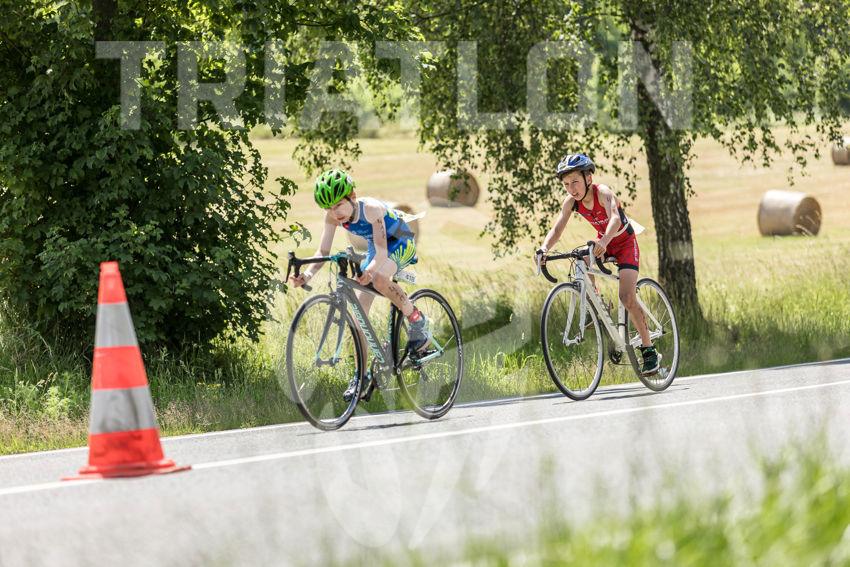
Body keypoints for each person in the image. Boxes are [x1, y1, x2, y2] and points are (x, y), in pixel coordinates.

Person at [289, 169, 431, 399]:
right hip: (377, 245)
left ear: (352, 196)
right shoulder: (332, 217)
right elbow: (323, 251)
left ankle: (417, 320)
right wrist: (306, 275)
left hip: (401, 241)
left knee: (379, 278)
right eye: (329, 208)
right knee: (358, 318)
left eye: (338, 205)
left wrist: (370, 271)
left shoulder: (371, 209)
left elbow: (382, 252)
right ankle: (361, 376)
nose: (334, 213)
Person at [536, 154, 660, 375]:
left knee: (627, 297)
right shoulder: (571, 202)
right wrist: (544, 248)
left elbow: (615, 218)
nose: (571, 189)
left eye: (575, 182)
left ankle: (649, 349)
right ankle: (597, 303)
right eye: (566, 184)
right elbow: (557, 228)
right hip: (603, 242)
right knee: (582, 258)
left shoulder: (602, 192)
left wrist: (604, 241)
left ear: (588, 178)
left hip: (624, 243)